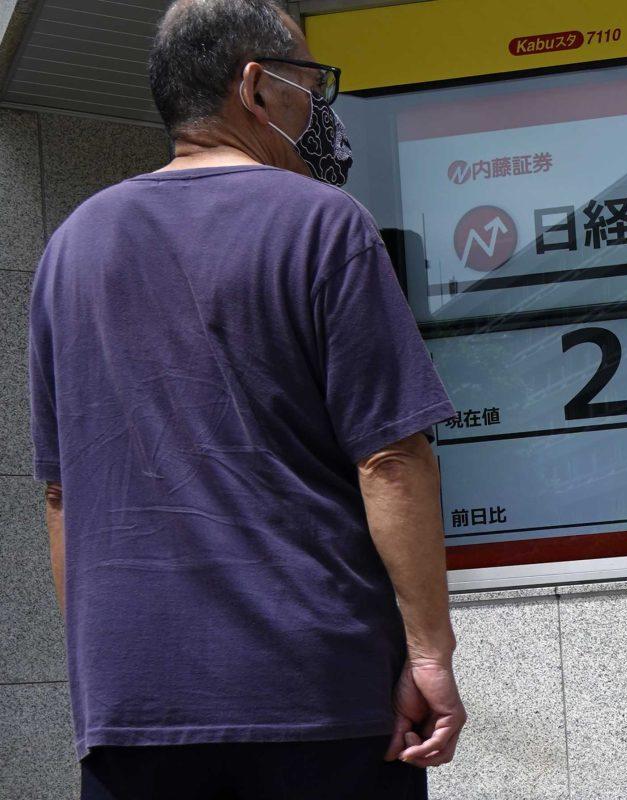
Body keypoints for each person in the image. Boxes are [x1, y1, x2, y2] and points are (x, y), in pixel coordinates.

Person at [26, 1, 466, 797]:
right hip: (315, 693)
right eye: (310, 83)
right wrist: (429, 654)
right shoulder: (325, 225)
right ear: (255, 87)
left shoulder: (71, 247)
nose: (320, 109)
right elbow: (391, 458)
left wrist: (104, 671)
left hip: (133, 706)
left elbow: (62, 492)